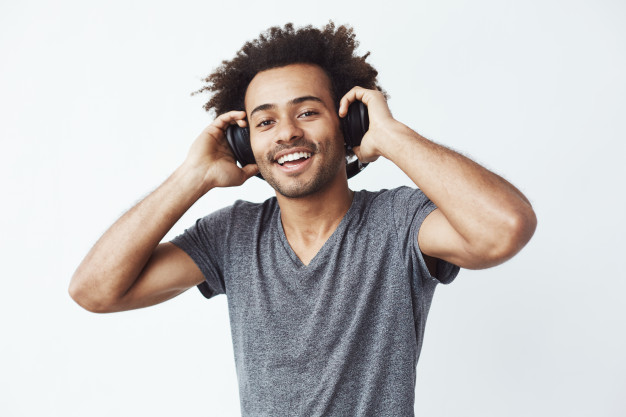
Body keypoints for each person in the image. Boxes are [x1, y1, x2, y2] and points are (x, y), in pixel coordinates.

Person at [69, 22, 536, 416]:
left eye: (308, 112)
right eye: (265, 122)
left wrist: (392, 136)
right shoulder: (232, 235)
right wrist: (193, 177)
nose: (288, 132)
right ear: (243, 144)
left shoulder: (399, 222)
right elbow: (95, 291)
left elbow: (505, 229)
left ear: (348, 122)